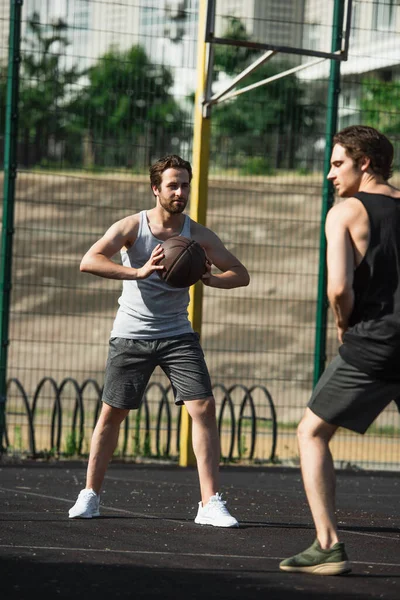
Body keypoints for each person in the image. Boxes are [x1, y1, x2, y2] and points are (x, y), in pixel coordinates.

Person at [68, 154, 250, 526]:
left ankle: (209, 503)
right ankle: (91, 495)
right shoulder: (133, 227)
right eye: (173, 185)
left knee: (203, 408)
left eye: (185, 184)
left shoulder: (196, 234)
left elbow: (241, 273)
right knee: (112, 413)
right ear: (156, 189)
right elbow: (89, 260)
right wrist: (138, 271)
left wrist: (212, 279)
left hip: (176, 335)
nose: (180, 192)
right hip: (131, 333)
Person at [280, 125, 400, 575]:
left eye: (337, 164)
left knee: (311, 432)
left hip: (376, 342)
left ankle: (328, 545)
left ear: (363, 163)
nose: (330, 174)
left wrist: (342, 324)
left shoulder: (346, 211)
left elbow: (338, 287)